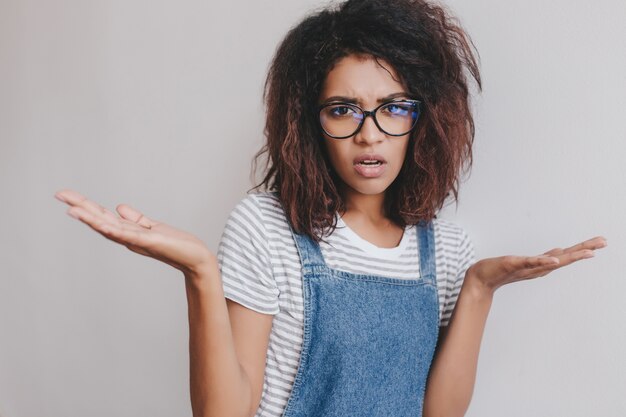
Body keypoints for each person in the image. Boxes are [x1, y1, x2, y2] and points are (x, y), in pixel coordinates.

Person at [54, 0, 607, 416]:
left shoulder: (446, 248)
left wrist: (480, 289)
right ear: (307, 122)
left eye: (393, 108)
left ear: (426, 120)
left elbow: (437, 413)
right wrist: (200, 271)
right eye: (343, 110)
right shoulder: (265, 226)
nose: (370, 135)